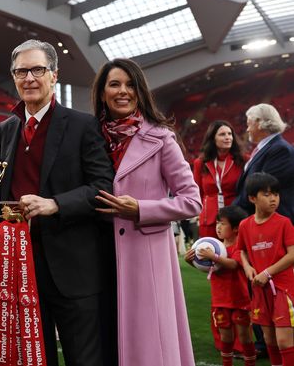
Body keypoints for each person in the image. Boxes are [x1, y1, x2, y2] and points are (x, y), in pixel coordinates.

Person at [0, 40, 114, 366]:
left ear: (54, 75)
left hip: (74, 269)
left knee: (85, 359)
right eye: (21, 71)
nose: (29, 78)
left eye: (38, 69)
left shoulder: (83, 125)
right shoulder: (6, 129)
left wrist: (56, 204)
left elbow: (102, 187)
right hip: (21, 268)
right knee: (34, 360)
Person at [91, 58, 202, 366]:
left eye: (131, 85)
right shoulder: (90, 138)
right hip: (99, 256)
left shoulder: (162, 138)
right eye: (114, 84)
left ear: (141, 93)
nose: (122, 91)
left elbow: (192, 200)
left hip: (146, 259)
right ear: (102, 93)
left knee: (150, 348)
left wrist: (140, 208)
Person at [184, 205, 256, 366]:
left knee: (244, 336)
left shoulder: (239, 247)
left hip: (240, 301)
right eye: (217, 223)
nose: (218, 227)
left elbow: (232, 265)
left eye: (222, 223)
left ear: (237, 228)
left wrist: (213, 256)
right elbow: (211, 270)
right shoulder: (215, 246)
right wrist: (192, 262)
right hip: (220, 300)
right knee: (225, 337)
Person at [238, 172, 294, 366]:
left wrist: (267, 272)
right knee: (269, 339)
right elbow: (241, 251)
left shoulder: (284, 223)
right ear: (252, 198)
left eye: (276, 194)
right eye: (267, 194)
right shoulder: (245, 225)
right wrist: (247, 267)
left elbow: (292, 255)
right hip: (260, 290)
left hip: (282, 289)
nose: (273, 199)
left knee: (284, 340)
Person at [234, 103, 294, 221]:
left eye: (249, 124)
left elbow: (261, 190)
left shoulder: (280, 150)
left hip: (272, 222)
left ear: (259, 123)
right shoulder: (267, 148)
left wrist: (232, 211)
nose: (247, 129)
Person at [193, 121, 245, 239]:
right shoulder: (200, 163)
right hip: (210, 220)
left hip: (235, 218)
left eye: (229, 134)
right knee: (210, 253)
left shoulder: (242, 160)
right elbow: (197, 193)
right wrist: (200, 215)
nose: (227, 137)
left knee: (235, 254)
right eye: (222, 134)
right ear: (213, 139)